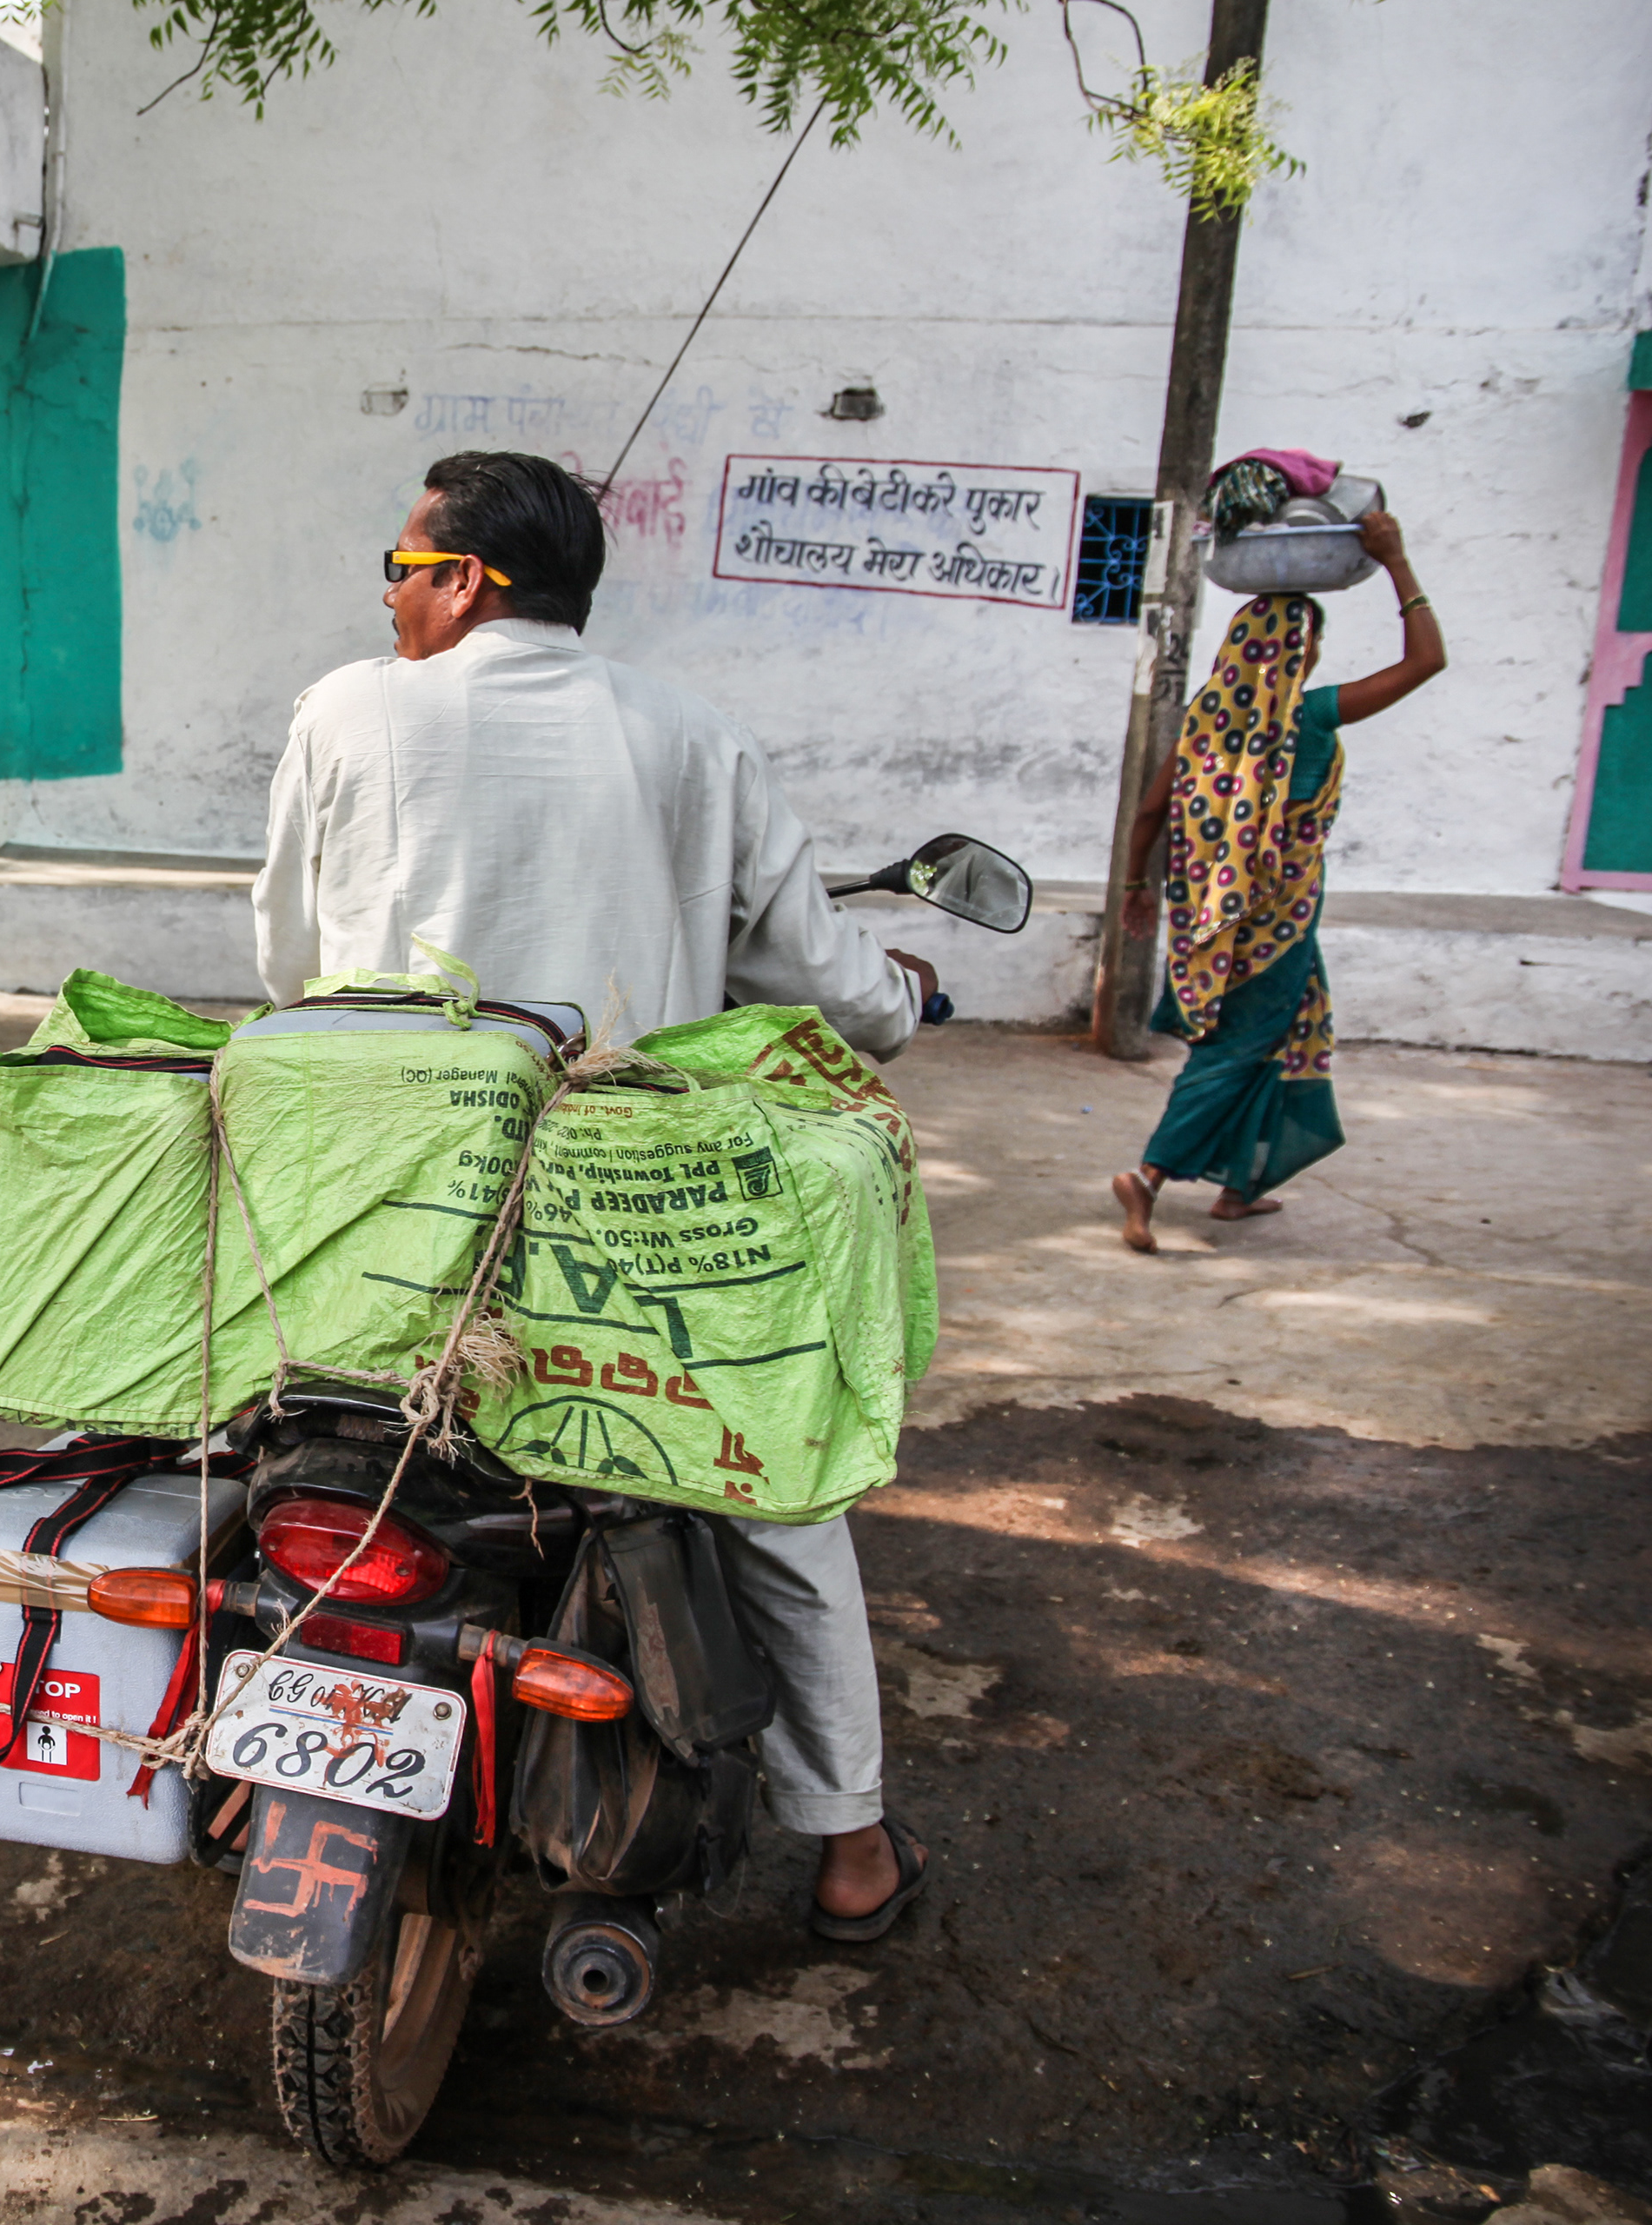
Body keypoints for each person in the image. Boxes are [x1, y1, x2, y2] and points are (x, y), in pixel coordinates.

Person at [254, 449, 939, 1942]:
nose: (387, 599)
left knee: (258, 1423)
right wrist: (902, 1004)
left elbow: (285, 963)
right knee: (772, 1493)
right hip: (626, 1221)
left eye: (398, 566)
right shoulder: (691, 735)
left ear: (465, 581)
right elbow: (822, 978)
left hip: (380, 1213)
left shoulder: (341, 712)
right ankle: (852, 1848)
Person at [1111, 513, 1444, 1252]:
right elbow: (1427, 662)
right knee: (1234, 1048)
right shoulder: (1314, 717)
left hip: (1209, 917)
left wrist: (1137, 884)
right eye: (1315, 642)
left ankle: (1239, 1189)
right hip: (1280, 925)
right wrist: (1396, 561)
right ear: (1302, 650)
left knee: (1292, 1032)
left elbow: (1153, 808)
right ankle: (1149, 1176)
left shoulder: (1207, 719)